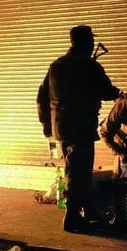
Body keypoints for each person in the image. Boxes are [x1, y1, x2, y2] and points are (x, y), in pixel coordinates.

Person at [37, 25, 120, 232]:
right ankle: (72, 215)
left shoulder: (56, 65)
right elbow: (106, 91)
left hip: (62, 127)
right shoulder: (88, 66)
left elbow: (42, 95)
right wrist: (118, 92)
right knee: (79, 170)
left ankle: (89, 209)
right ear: (87, 42)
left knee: (74, 167)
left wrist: (47, 124)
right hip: (81, 125)